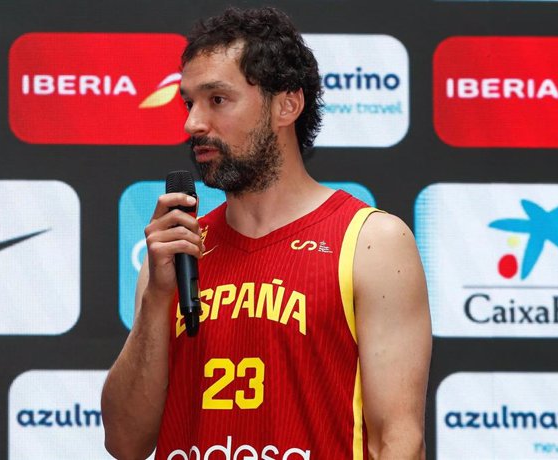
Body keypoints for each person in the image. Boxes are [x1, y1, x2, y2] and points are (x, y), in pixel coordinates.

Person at [102, 6, 432, 459]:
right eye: (189, 103)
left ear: (287, 104)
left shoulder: (372, 241)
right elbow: (124, 443)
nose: (193, 123)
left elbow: (398, 439)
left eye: (217, 99)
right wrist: (157, 300)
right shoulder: (178, 254)